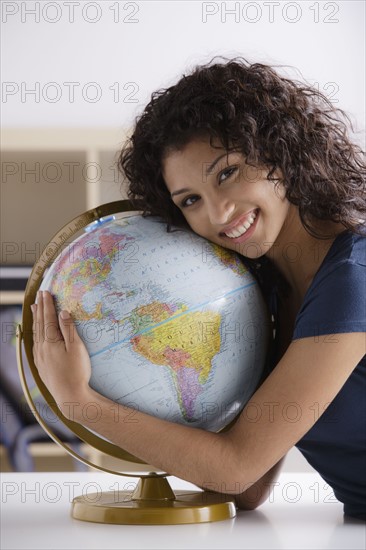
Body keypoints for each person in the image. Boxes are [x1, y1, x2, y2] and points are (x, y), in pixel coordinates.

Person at [31, 58, 366, 520]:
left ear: (278, 151)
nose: (219, 213)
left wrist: (80, 404)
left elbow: (236, 468)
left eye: (226, 173)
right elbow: (247, 489)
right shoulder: (268, 288)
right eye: (190, 200)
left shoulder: (354, 276)